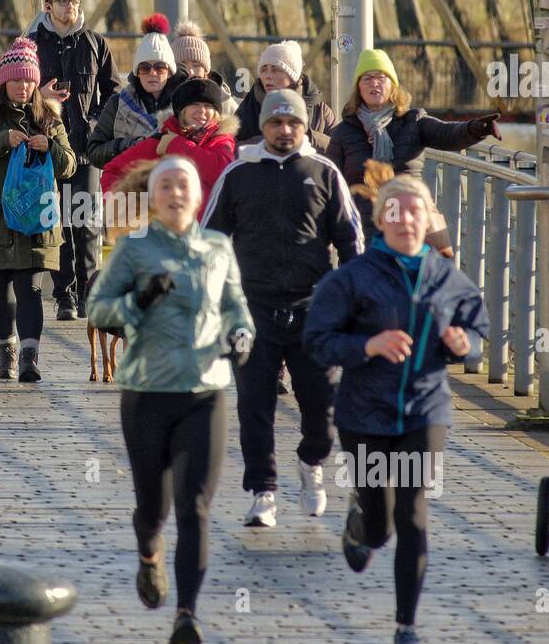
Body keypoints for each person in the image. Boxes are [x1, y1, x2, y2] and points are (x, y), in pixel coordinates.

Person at [304, 175, 488, 644]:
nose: (405, 218)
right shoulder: (353, 277)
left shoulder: (447, 275)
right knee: (381, 524)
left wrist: (465, 343)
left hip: (424, 411)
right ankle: (361, 520)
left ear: (429, 219)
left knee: (412, 515)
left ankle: (406, 627)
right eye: (395, 211)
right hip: (364, 413)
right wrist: (367, 346)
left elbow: (477, 323)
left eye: (415, 211)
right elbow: (317, 340)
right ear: (380, 219)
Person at [88, 155, 254, 644]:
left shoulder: (218, 247)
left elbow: (234, 305)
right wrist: (137, 302)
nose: (176, 193)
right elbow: (98, 308)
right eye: (166, 187)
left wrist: (242, 334)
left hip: (205, 391)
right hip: (146, 391)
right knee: (153, 507)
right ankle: (147, 553)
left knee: (195, 508)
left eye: (184, 185)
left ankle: (187, 613)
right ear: (153, 198)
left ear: (198, 196)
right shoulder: (134, 248)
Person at [203, 88, 365, 528]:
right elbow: (210, 240)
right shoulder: (240, 172)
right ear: (265, 126)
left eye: (292, 122)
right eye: (276, 122)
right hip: (252, 306)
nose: (284, 129)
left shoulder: (324, 172)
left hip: (315, 307)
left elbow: (352, 241)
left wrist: (354, 303)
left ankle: (312, 463)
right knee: (254, 405)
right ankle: (263, 492)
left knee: (322, 405)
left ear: (303, 125)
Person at [0, 37, 77, 383]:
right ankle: (5, 351)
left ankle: (29, 358)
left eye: (29, 80)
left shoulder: (49, 117)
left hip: (37, 219)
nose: (23, 86)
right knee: (1, 292)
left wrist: (50, 146)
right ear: (3, 81)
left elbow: (69, 165)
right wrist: (1, 141)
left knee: (32, 290)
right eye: (16, 80)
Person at [327, 48, 501, 231]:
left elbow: (447, 134)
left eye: (381, 77)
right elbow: (330, 181)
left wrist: (475, 129)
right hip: (363, 229)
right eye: (367, 78)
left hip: (410, 225)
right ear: (358, 88)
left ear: (393, 85)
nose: (374, 83)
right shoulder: (345, 131)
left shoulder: (413, 121)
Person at [27, 0, 118, 321]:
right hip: (46, 147)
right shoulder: (32, 44)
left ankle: (88, 293)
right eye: (64, 1)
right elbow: (12, 91)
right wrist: (41, 97)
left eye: (76, 1)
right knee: (57, 221)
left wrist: (96, 121)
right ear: (48, 7)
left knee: (87, 222)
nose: (71, 7)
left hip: (85, 149)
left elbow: (113, 91)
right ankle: (63, 294)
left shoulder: (95, 44)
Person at [98, 77, 238, 212]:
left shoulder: (221, 140)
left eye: (208, 106)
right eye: (194, 104)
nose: (201, 110)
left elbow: (222, 174)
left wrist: (175, 145)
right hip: (162, 231)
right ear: (181, 111)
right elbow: (113, 171)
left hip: (207, 232)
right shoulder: (159, 142)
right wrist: (129, 213)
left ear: (216, 113)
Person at [87, 13, 187, 170]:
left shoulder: (184, 105)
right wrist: (126, 145)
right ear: (137, 72)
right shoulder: (117, 104)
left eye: (160, 67)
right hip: (129, 189)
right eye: (145, 68)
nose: (152, 73)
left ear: (169, 72)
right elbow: (94, 152)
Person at [235, 40, 337, 148]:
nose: (267, 76)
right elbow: (232, 149)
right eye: (264, 70)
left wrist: (306, 138)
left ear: (292, 76)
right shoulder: (248, 107)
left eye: (275, 70)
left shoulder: (320, 110)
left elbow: (339, 148)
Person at [172, 19, 238, 117]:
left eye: (196, 65)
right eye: (183, 65)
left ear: (206, 71)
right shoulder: (164, 101)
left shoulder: (225, 103)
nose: (190, 72)